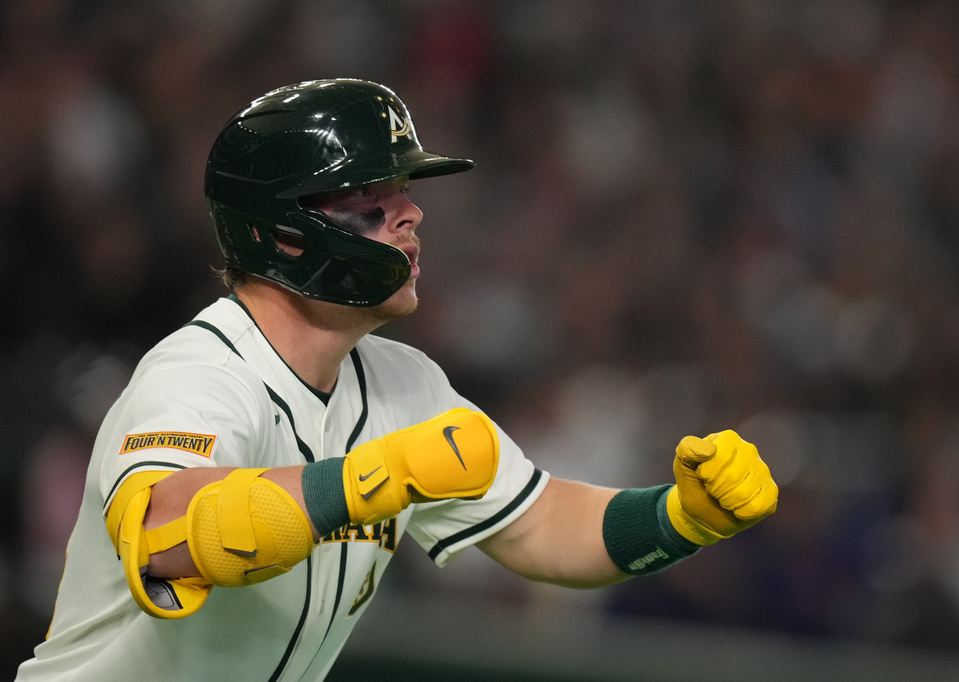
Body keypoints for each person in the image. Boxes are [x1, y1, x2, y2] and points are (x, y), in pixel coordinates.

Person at [16, 79, 778, 681]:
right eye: (370, 201)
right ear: (282, 231)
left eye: (404, 193)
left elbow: (543, 527)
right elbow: (166, 534)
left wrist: (680, 517)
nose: (411, 214)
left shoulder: (402, 381)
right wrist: (369, 481)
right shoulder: (203, 371)